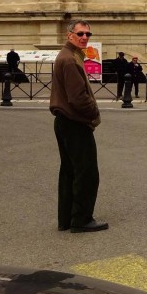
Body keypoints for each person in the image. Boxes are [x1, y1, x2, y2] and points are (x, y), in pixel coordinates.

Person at [49, 19, 108, 233]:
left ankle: (66, 219)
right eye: (80, 33)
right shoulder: (70, 60)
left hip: (64, 121)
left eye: (88, 34)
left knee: (69, 171)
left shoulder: (67, 55)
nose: (84, 37)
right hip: (74, 122)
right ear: (69, 35)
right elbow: (78, 98)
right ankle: (81, 219)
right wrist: (93, 113)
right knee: (86, 172)